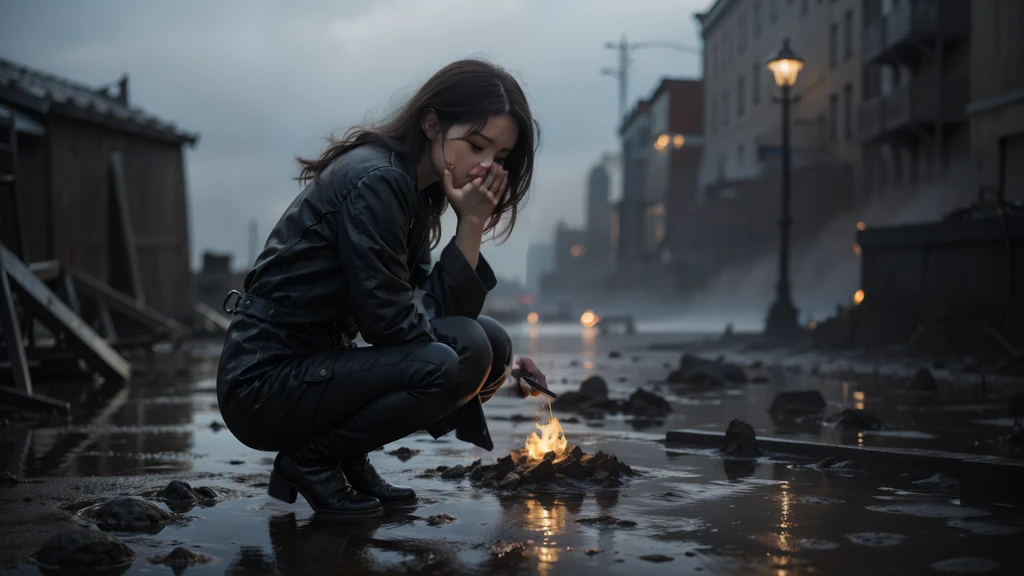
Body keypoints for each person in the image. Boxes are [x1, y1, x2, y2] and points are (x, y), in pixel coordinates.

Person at [216, 59, 548, 518]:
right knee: (463, 350)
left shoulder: (415, 191)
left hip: (313, 369)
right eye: (476, 145)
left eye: (501, 157)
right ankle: (313, 461)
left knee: (489, 341)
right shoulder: (380, 180)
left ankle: (347, 458)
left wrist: (501, 365)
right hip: (264, 381)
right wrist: (471, 221)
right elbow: (392, 324)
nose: (486, 166)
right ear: (431, 123)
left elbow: (426, 311)